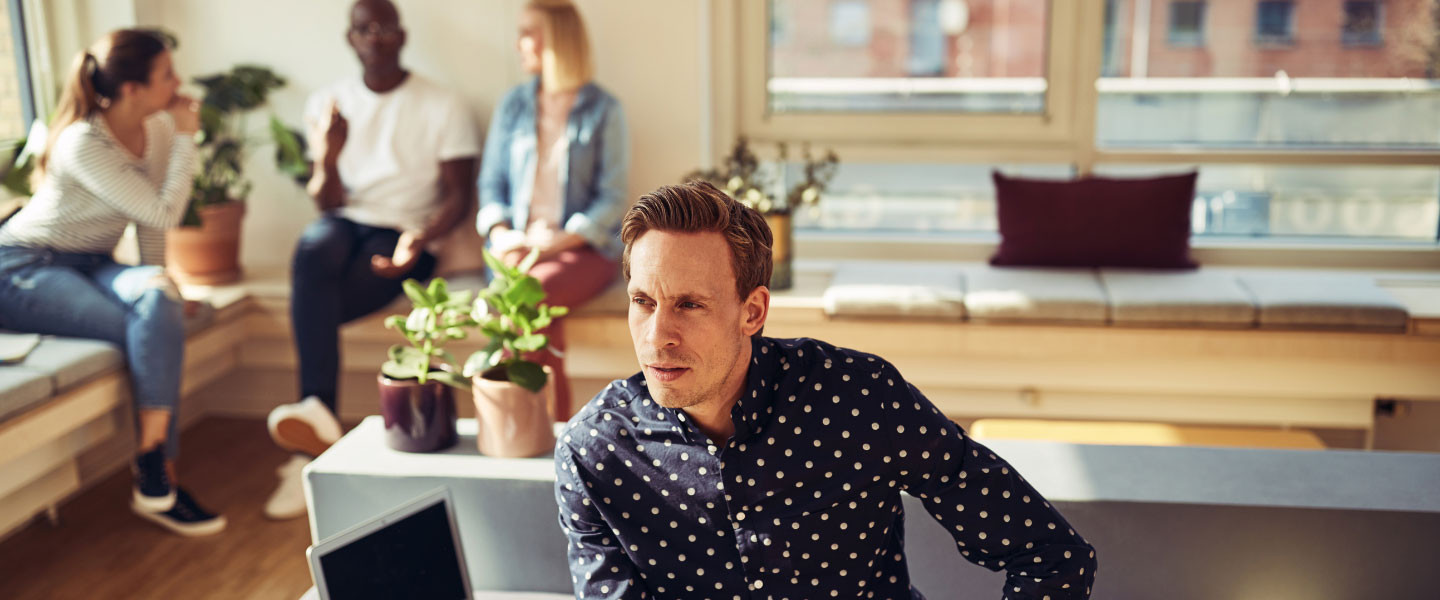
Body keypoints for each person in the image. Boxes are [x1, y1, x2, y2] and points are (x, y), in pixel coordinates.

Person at [553, 181, 1098, 599]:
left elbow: (1052, 554)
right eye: (642, 301)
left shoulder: (859, 400)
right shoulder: (594, 452)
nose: (657, 336)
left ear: (753, 311)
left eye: (689, 305)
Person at [0, 29, 225, 536]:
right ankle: (160, 474)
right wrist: (191, 137)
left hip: (94, 261)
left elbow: (148, 225)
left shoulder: (158, 127)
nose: (179, 82)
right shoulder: (82, 141)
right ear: (131, 89)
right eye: (167, 74)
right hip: (23, 267)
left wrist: (166, 282)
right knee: (143, 323)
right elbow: (164, 211)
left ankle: (150, 462)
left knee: (157, 298)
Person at [264, 0, 480, 520]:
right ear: (351, 39)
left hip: (408, 235)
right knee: (314, 246)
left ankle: (310, 444)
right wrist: (330, 154)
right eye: (365, 29)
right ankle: (315, 424)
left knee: (312, 299)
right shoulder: (329, 102)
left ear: (402, 36)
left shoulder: (442, 103)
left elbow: (458, 195)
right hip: (347, 223)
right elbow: (326, 202)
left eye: (385, 28)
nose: (376, 37)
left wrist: (419, 238)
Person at [477, 0, 628, 421]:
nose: (518, 43)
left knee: (527, 294)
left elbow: (612, 197)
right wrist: (502, 233)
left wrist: (559, 240)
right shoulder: (513, 106)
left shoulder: (604, 110)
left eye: (528, 32)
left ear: (556, 40)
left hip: (582, 250)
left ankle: (522, 425)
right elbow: (490, 186)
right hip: (517, 250)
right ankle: (553, 434)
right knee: (525, 293)